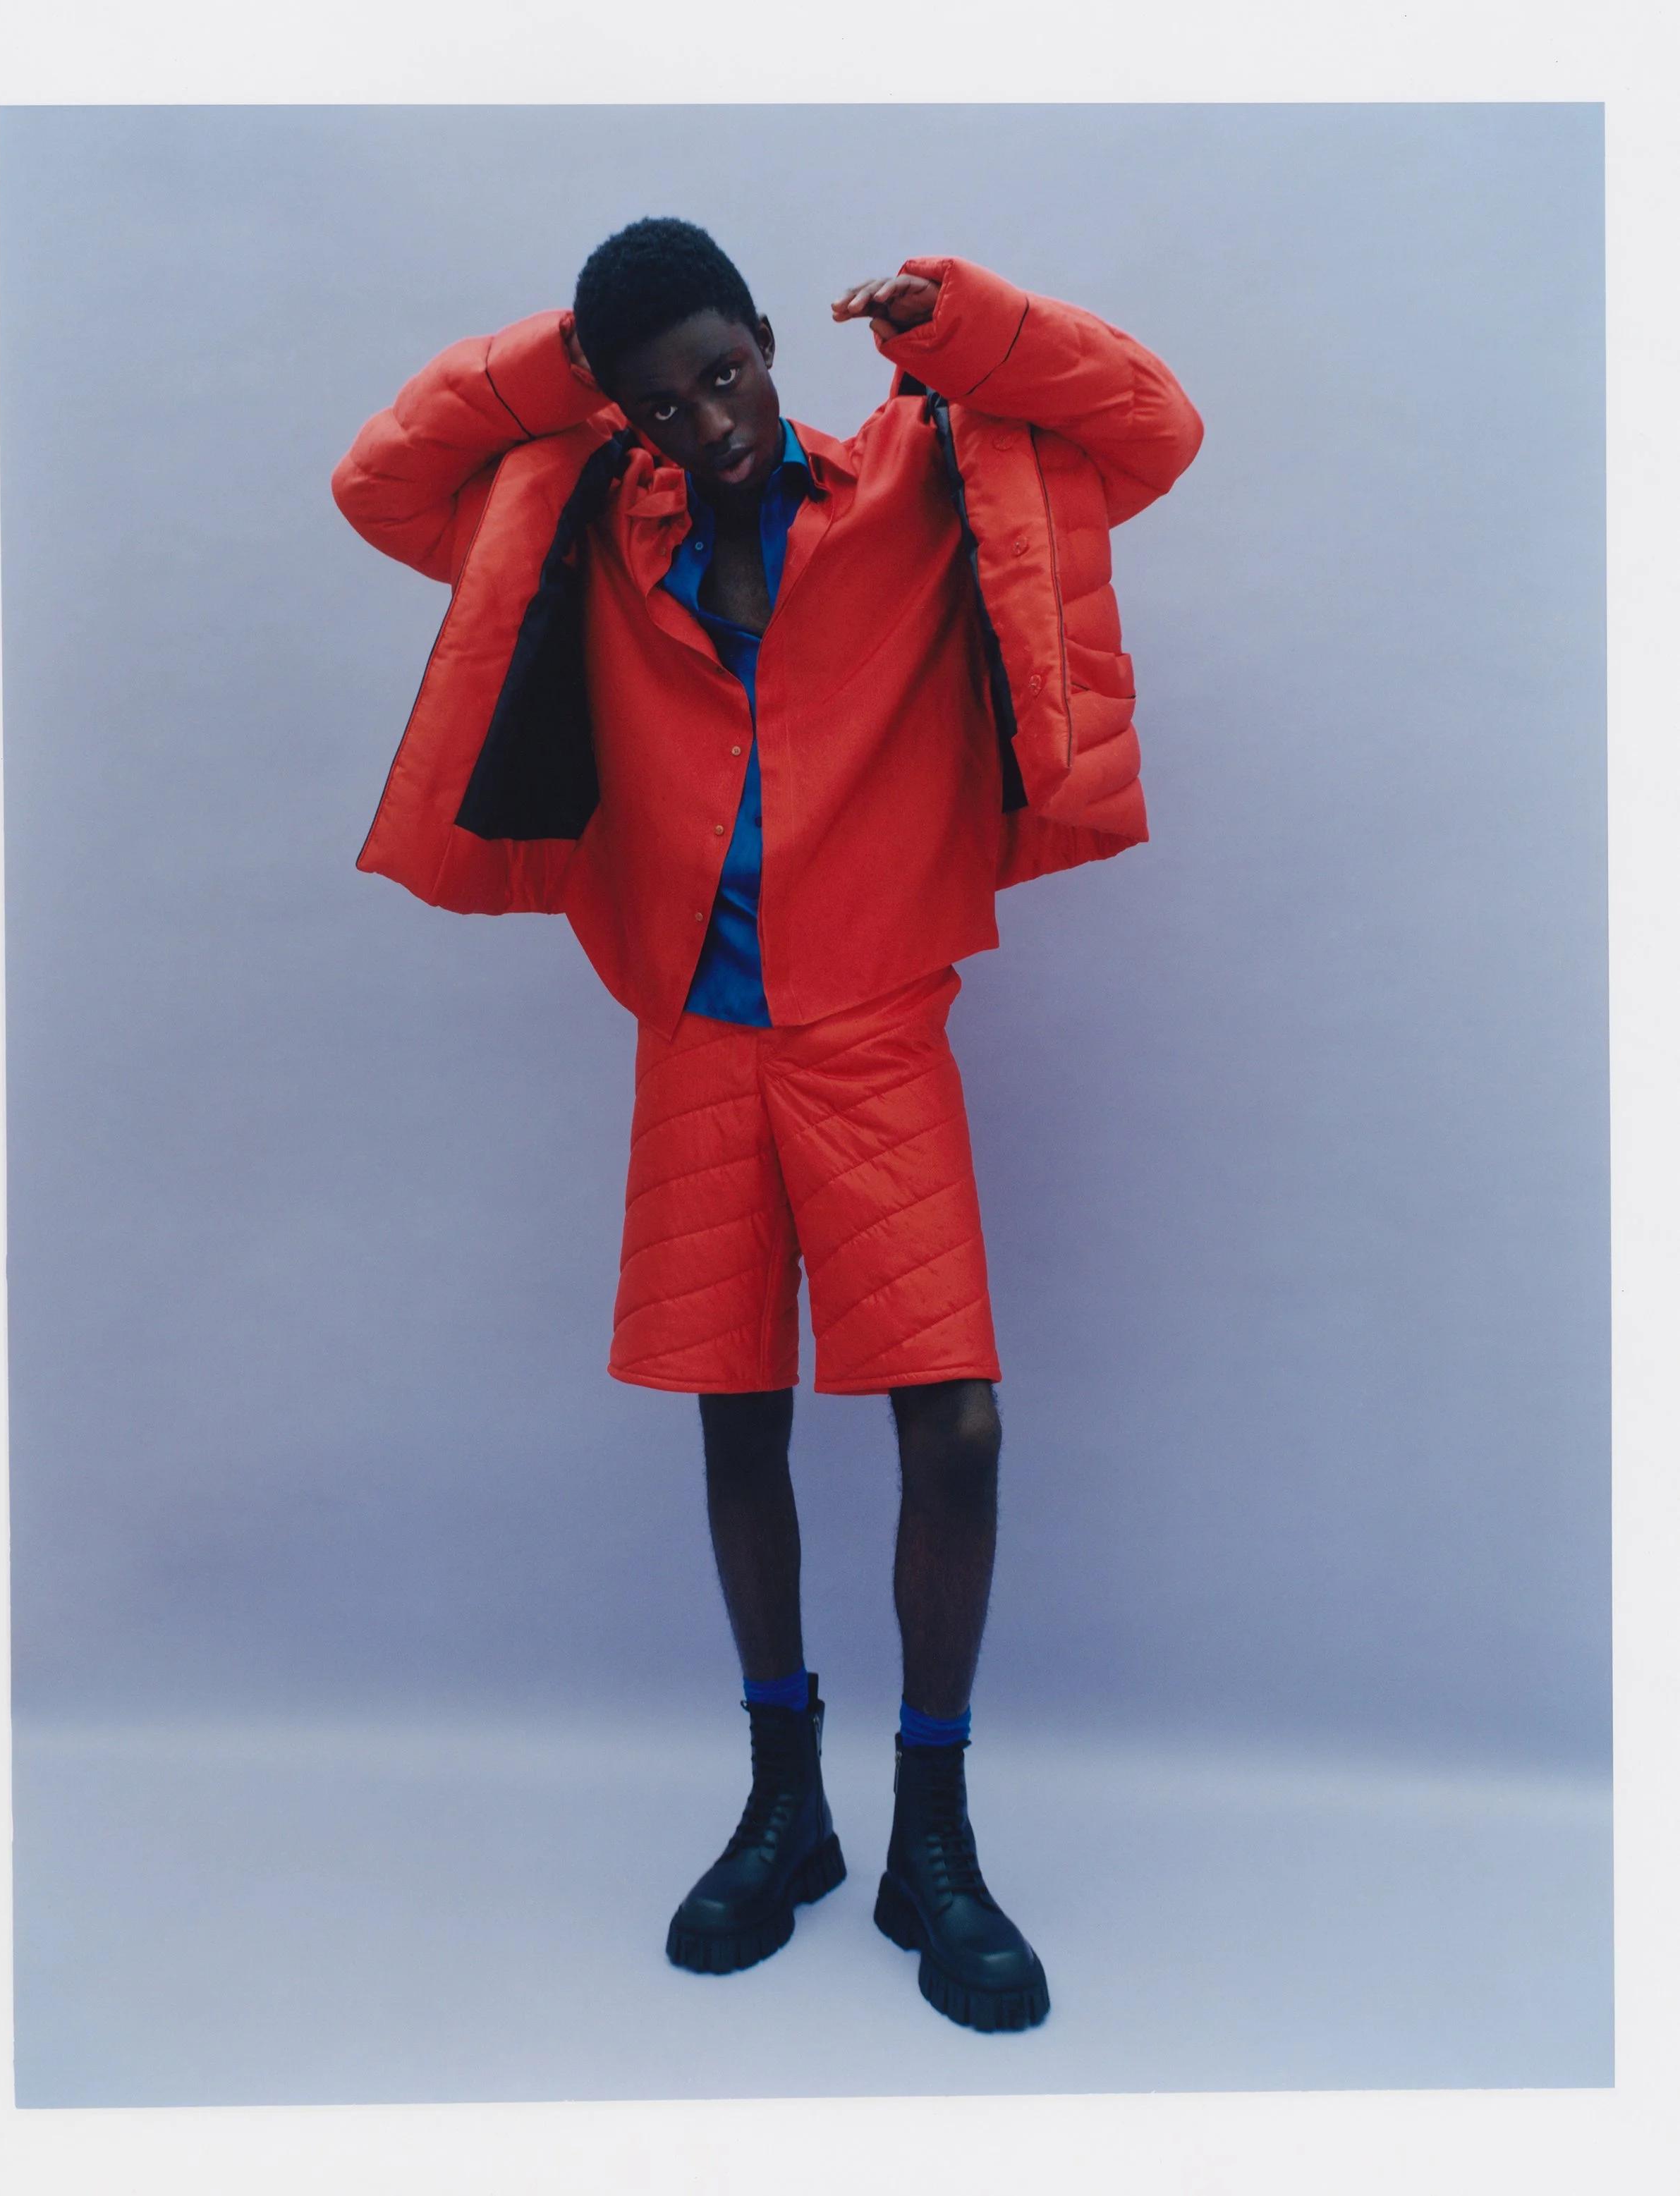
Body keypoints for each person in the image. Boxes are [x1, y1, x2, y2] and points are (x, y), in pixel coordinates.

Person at [332, 218, 1202, 2032]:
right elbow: (381, 483)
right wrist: (567, 370)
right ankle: (784, 1808)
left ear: (766, 347)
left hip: (876, 1029)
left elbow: (1150, 427)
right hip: (695, 1039)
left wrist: (965, 325)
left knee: (952, 1426)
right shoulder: (594, 517)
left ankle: (930, 1838)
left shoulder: (912, 478)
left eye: (721, 374)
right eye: (661, 402)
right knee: (736, 1419)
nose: (706, 423)